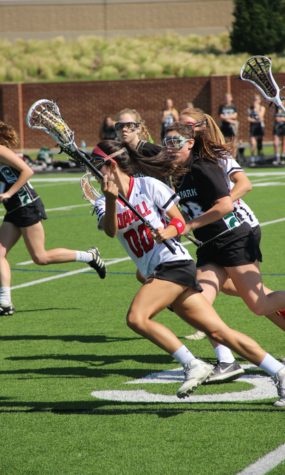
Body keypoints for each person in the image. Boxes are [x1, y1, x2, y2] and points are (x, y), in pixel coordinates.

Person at [91, 140, 285, 406]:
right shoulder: (104, 200)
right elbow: (111, 230)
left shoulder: (150, 186)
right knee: (219, 333)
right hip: (157, 269)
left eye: (97, 165)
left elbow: (179, 220)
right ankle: (280, 372)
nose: (94, 172)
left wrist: (170, 230)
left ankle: (192, 363)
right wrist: (112, 200)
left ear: (111, 164)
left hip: (173, 264)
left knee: (137, 318)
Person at [176, 109, 285, 374]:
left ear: (200, 128)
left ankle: (227, 358)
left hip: (236, 227)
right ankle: (226, 359)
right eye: (179, 124)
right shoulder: (179, 160)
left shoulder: (216, 156)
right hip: (210, 237)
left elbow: (244, 185)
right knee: (212, 296)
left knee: (257, 301)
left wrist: (221, 204)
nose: (182, 129)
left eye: (188, 125)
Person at [0, 115, 106, 317]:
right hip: (14, 210)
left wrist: (8, 193)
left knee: (40, 257)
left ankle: (90, 256)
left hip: (26, 206)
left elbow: (27, 171)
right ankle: (5, 303)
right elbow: (6, 179)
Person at [247, 94, 265, 166]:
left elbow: (261, 117)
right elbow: (248, 119)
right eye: (254, 99)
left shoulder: (262, 108)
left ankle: (259, 156)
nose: (255, 101)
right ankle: (252, 157)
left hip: (260, 127)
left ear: (259, 101)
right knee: (253, 143)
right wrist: (255, 119)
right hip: (253, 127)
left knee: (259, 143)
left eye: (257, 99)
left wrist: (256, 110)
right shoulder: (250, 108)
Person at [218, 92, 238, 157]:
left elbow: (235, 116)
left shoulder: (233, 107)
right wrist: (230, 120)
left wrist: (226, 117)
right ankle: (226, 157)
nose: (227, 99)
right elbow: (221, 116)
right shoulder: (222, 107)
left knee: (233, 143)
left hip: (232, 127)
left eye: (228, 97)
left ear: (231, 98)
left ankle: (234, 158)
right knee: (224, 143)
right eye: (226, 97)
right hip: (224, 126)